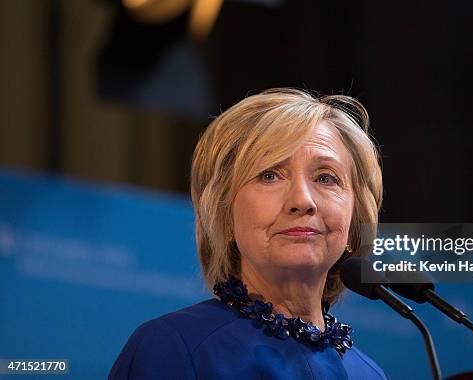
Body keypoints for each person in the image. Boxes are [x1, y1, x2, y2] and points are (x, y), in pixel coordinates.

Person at [108, 88, 386, 379]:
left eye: (325, 178)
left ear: (356, 218)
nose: (303, 200)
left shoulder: (371, 374)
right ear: (224, 213)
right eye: (269, 175)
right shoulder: (173, 349)